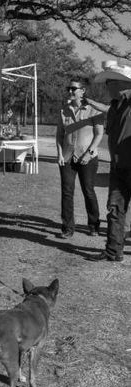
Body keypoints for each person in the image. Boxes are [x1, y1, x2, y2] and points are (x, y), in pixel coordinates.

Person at [89, 63, 131, 261]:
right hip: (118, 167)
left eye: (110, 82)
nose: (107, 87)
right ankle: (113, 251)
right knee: (114, 208)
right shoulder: (115, 106)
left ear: (122, 83)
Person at [56, 80, 104, 239]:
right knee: (67, 192)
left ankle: (93, 224)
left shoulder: (93, 110)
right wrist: (60, 154)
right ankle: (67, 227)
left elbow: (99, 134)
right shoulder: (64, 110)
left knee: (88, 191)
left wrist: (89, 153)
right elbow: (59, 135)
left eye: (73, 89)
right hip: (68, 157)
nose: (70, 91)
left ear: (82, 91)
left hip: (87, 157)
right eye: (68, 88)